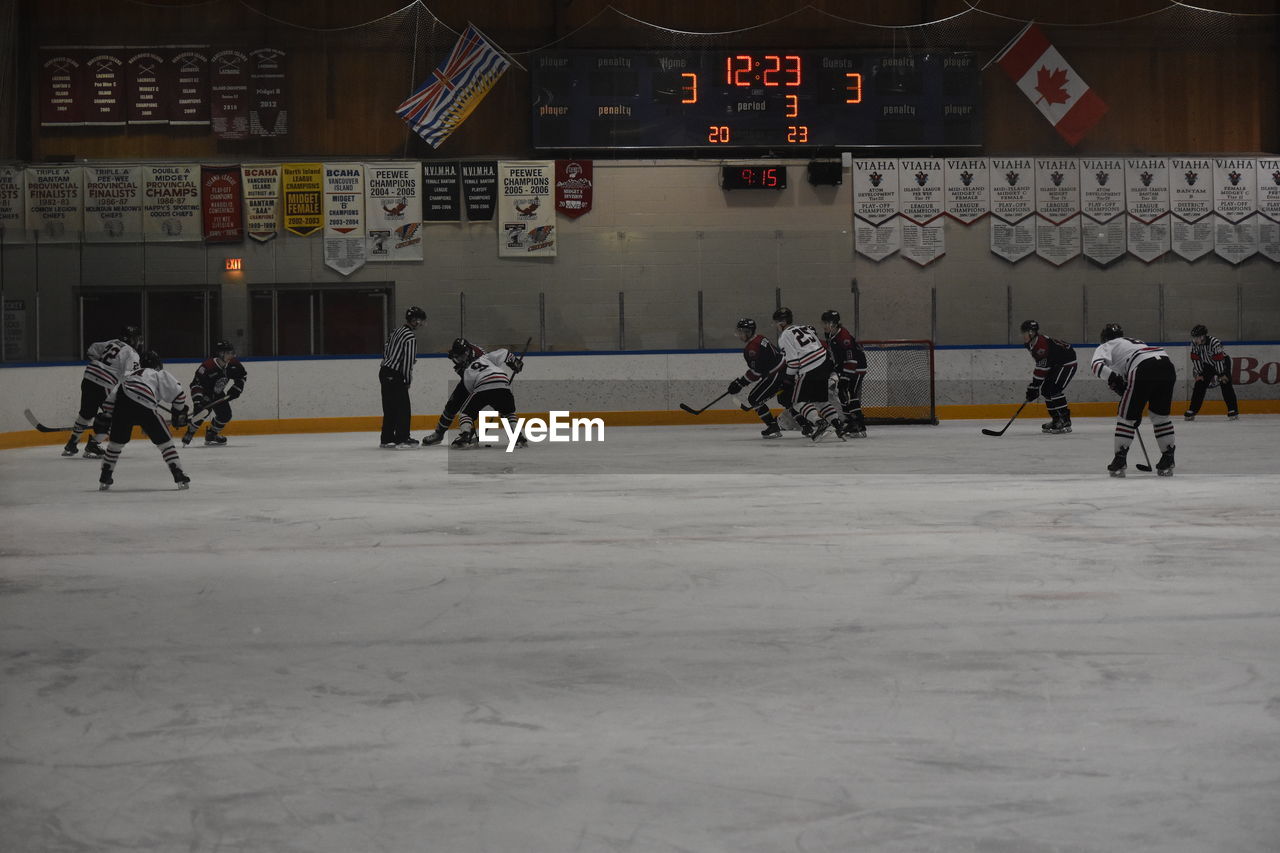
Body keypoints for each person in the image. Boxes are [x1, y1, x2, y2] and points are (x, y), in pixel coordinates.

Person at [97, 350, 191, 491]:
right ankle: (178, 473)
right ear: (157, 364)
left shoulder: (129, 376)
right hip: (145, 403)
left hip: (123, 401)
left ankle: (105, 475)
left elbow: (110, 401)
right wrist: (178, 412)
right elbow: (179, 394)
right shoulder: (157, 374)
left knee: (116, 443)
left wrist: (109, 416)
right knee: (165, 442)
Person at [1091, 323, 1177, 477]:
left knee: (1126, 417)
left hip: (1143, 366)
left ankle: (1120, 459)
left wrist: (1115, 380)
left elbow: (1097, 367)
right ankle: (1168, 458)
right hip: (1166, 364)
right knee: (1160, 416)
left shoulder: (1106, 345)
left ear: (1104, 338)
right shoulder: (1134, 342)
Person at [62, 324, 143, 458]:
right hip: (105, 382)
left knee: (86, 413)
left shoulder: (111, 342)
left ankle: (72, 443)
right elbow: (131, 376)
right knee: (117, 415)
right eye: (137, 338)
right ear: (132, 339)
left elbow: (92, 350)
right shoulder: (132, 353)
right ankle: (94, 443)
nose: (139, 341)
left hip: (89, 376)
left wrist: (103, 365)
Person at [773, 306, 845, 442]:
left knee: (797, 401)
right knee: (821, 400)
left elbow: (793, 361)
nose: (776, 326)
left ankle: (819, 422)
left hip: (810, 367)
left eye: (776, 323)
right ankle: (837, 424)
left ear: (782, 323)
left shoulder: (784, 336)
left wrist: (788, 379)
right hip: (824, 363)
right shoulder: (805, 328)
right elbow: (820, 347)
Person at [444, 341, 525, 448]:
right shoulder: (486, 358)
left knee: (465, 413)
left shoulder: (467, 371)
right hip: (503, 384)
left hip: (482, 387)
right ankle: (518, 437)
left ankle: (465, 436)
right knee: (508, 413)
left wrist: (473, 416)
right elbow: (504, 352)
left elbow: (471, 391)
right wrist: (514, 362)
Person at [726, 318, 787, 438]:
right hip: (782, 370)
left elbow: (756, 372)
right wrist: (740, 382)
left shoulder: (752, 348)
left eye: (741, 332)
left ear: (748, 332)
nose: (739, 335)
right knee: (787, 399)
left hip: (776, 374)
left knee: (754, 399)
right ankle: (805, 423)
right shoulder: (760, 338)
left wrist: (740, 383)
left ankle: (773, 426)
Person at [181, 340, 248, 446]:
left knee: (225, 415)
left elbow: (242, 376)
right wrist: (197, 401)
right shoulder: (207, 367)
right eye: (229, 353)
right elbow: (195, 385)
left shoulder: (234, 364)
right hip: (205, 394)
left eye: (232, 352)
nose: (232, 355)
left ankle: (212, 434)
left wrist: (237, 387)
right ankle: (190, 432)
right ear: (221, 354)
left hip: (218, 394)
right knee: (202, 413)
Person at [421, 338, 486, 446]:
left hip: (485, 381)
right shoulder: (456, 355)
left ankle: (516, 434)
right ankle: (439, 434)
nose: (459, 359)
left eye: (461, 356)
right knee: (452, 403)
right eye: (457, 356)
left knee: (498, 401)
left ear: (467, 352)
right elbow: (462, 371)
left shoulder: (480, 356)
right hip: (468, 379)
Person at [379, 306, 426, 448]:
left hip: (384, 371)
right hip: (396, 374)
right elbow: (408, 361)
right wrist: (407, 379)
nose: (422, 324)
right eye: (421, 321)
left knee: (389, 408)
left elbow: (386, 349)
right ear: (415, 321)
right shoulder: (410, 337)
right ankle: (402, 438)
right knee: (403, 408)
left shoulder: (396, 331)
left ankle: (386, 439)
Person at [1020, 319, 1078, 434]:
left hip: (1067, 363)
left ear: (1032, 333)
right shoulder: (1031, 344)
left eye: (1025, 333)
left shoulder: (1041, 345)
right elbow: (1041, 364)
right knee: (1046, 390)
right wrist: (1034, 387)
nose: (1023, 335)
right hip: (1055, 364)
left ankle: (1065, 421)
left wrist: (1034, 386)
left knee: (1054, 390)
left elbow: (1043, 367)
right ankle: (1056, 420)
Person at [821, 309, 868, 437]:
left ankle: (859, 426)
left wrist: (846, 377)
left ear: (835, 324)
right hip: (846, 368)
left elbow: (851, 360)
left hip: (857, 368)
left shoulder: (844, 337)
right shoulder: (831, 335)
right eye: (824, 323)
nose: (824, 326)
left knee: (850, 393)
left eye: (827, 323)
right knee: (842, 393)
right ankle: (851, 422)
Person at [1185, 324, 1239, 421]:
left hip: (1222, 363)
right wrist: (1199, 373)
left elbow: (1219, 359)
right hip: (1207, 364)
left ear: (1203, 336)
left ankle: (1233, 410)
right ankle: (1192, 410)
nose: (1195, 339)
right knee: (1199, 385)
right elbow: (1195, 358)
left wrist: (1222, 374)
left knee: (1225, 384)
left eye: (1197, 337)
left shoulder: (1214, 342)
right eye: (1194, 337)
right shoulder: (1194, 343)